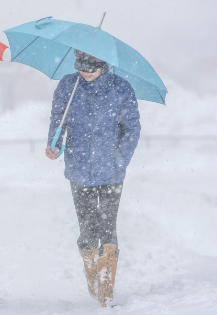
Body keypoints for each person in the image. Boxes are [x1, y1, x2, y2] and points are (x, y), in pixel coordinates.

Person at [45, 50, 140, 307]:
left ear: (104, 65)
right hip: (78, 169)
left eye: (91, 67)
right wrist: (54, 144)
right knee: (88, 227)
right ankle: (93, 279)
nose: (85, 72)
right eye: (80, 66)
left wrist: (119, 161)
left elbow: (132, 129)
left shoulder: (121, 88)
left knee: (108, 226)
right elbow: (58, 120)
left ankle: (106, 288)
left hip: (111, 173)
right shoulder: (68, 85)